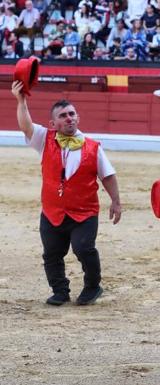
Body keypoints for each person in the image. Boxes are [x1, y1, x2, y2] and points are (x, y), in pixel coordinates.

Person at [11, 80, 122, 306]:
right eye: (63, 115)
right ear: (54, 123)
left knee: (83, 248)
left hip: (84, 211)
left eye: (72, 114)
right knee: (51, 254)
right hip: (52, 210)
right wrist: (21, 100)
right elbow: (26, 125)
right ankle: (60, 291)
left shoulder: (93, 147)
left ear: (78, 118)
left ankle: (93, 286)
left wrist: (116, 202)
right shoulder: (45, 139)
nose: (69, 118)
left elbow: (108, 176)